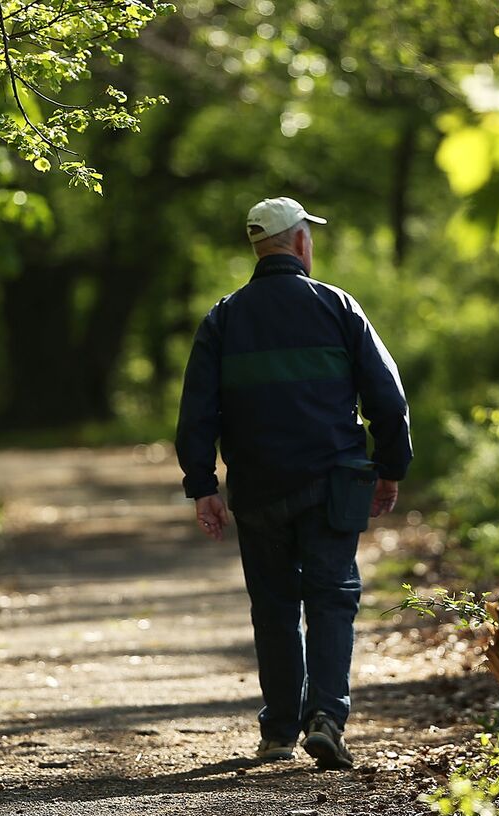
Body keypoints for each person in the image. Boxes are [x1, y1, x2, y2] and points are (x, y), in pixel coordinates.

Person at [175, 196, 412, 770]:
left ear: (259, 246)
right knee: (332, 599)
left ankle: (279, 729)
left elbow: (197, 411)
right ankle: (327, 717)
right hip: (334, 482)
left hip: (258, 489)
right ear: (301, 241)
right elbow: (387, 394)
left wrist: (203, 483)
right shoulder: (337, 306)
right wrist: (392, 466)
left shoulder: (225, 317)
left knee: (274, 605)